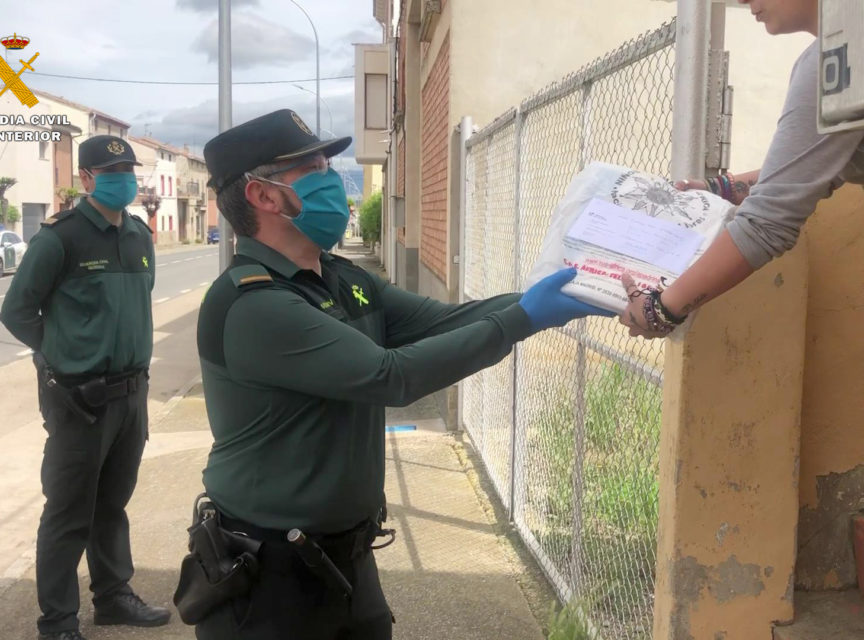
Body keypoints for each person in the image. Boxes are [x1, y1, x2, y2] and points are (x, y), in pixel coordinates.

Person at [186, 109, 609, 640]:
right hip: (267, 572)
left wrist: (578, 291)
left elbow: (447, 321)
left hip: (347, 556)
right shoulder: (254, 304)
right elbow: (391, 376)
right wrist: (525, 318)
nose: (332, 180)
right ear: (263, 196)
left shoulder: (341, 277)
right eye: (313, 169)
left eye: (328, 164)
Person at [619, 2, 864, 638]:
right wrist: (727, 187)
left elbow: (768, 225)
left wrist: (661, 307)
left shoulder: (835, 57)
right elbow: (830, 156)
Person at [0, 135, 171, 640]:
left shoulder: (139, 236)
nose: (123, 179)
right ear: (86, 179)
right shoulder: (61, 239)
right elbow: (16, 311)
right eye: (110, 171)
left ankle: (113, 597)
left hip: (131, 395)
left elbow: (139, 301)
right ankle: (57, 622)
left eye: (128, 170)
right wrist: (62, 356)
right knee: (69, 510)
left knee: (112, 503)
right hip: (80, 399)